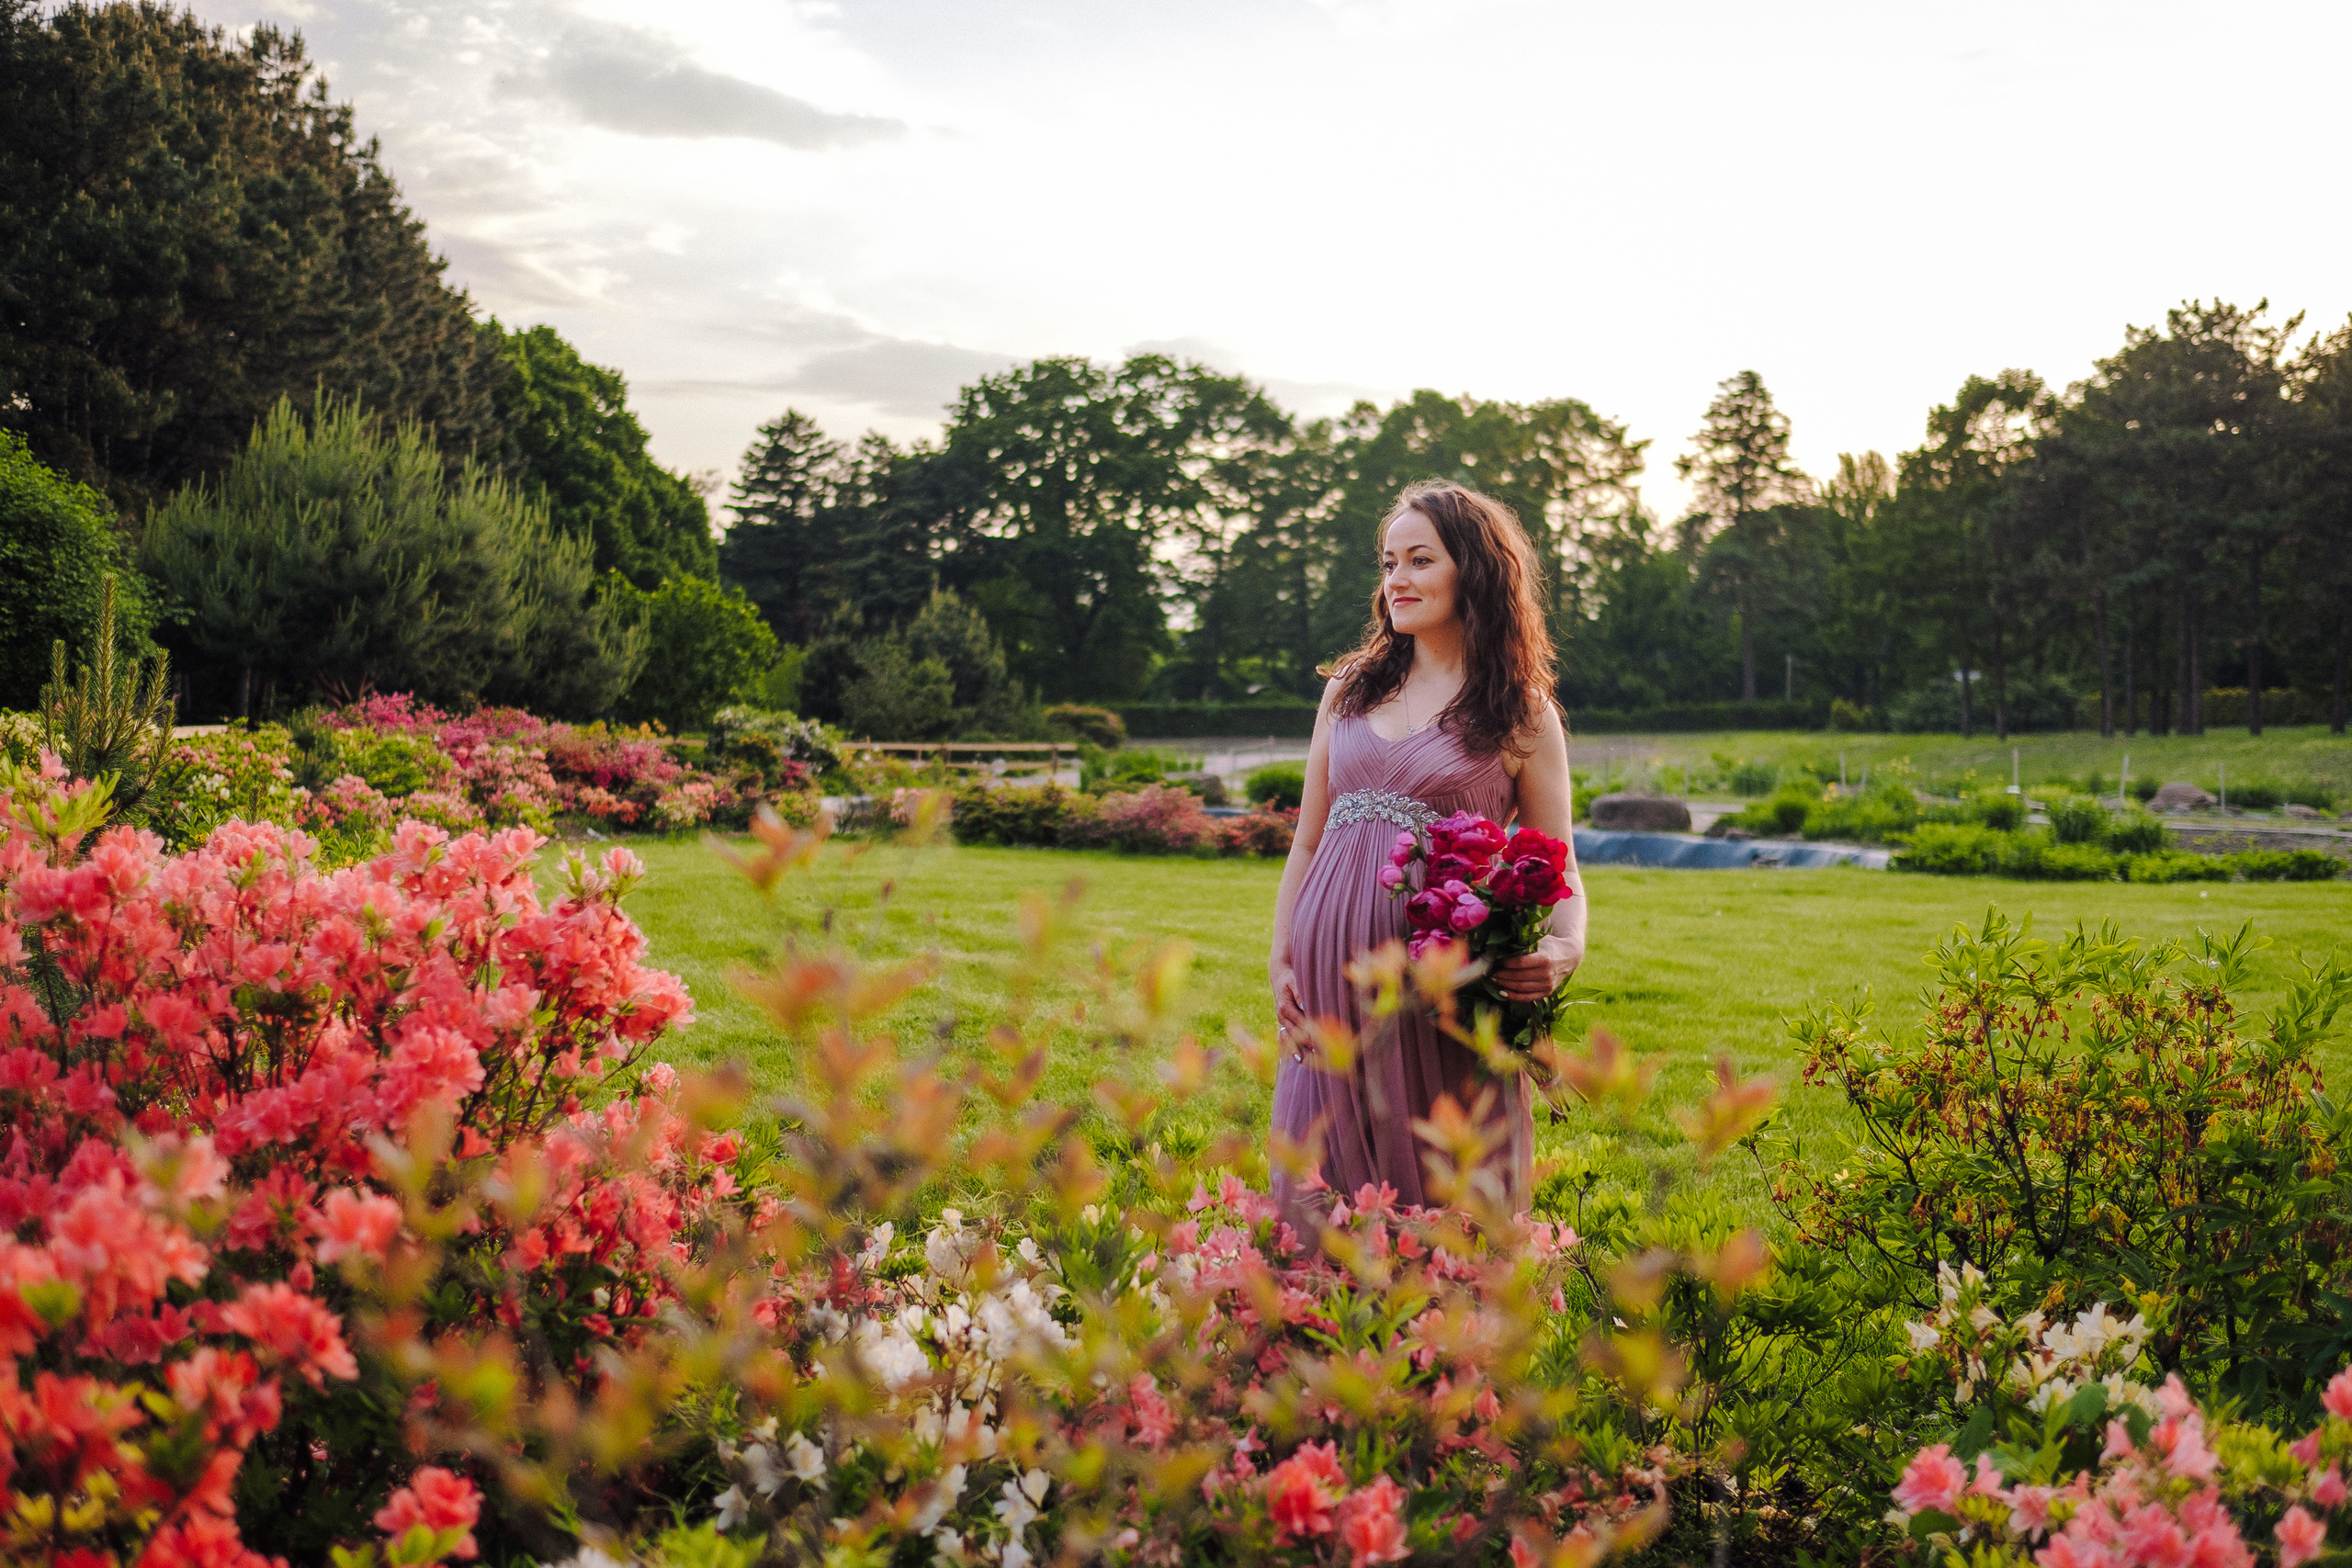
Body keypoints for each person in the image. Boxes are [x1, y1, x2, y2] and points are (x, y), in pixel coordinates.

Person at [1267, 479, 1586, 1221]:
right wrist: (1282, 953)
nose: (1396, 581)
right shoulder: (1348, 688)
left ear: (1471, 570)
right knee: (1320, 1199)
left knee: (1437, 1201)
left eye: (1418, 560)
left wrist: (1564, 951)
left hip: (1440, 995)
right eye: (1387, 564)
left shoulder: (1521, 712)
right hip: (1328, 987)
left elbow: (1558, 862)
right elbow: (1308, 839)